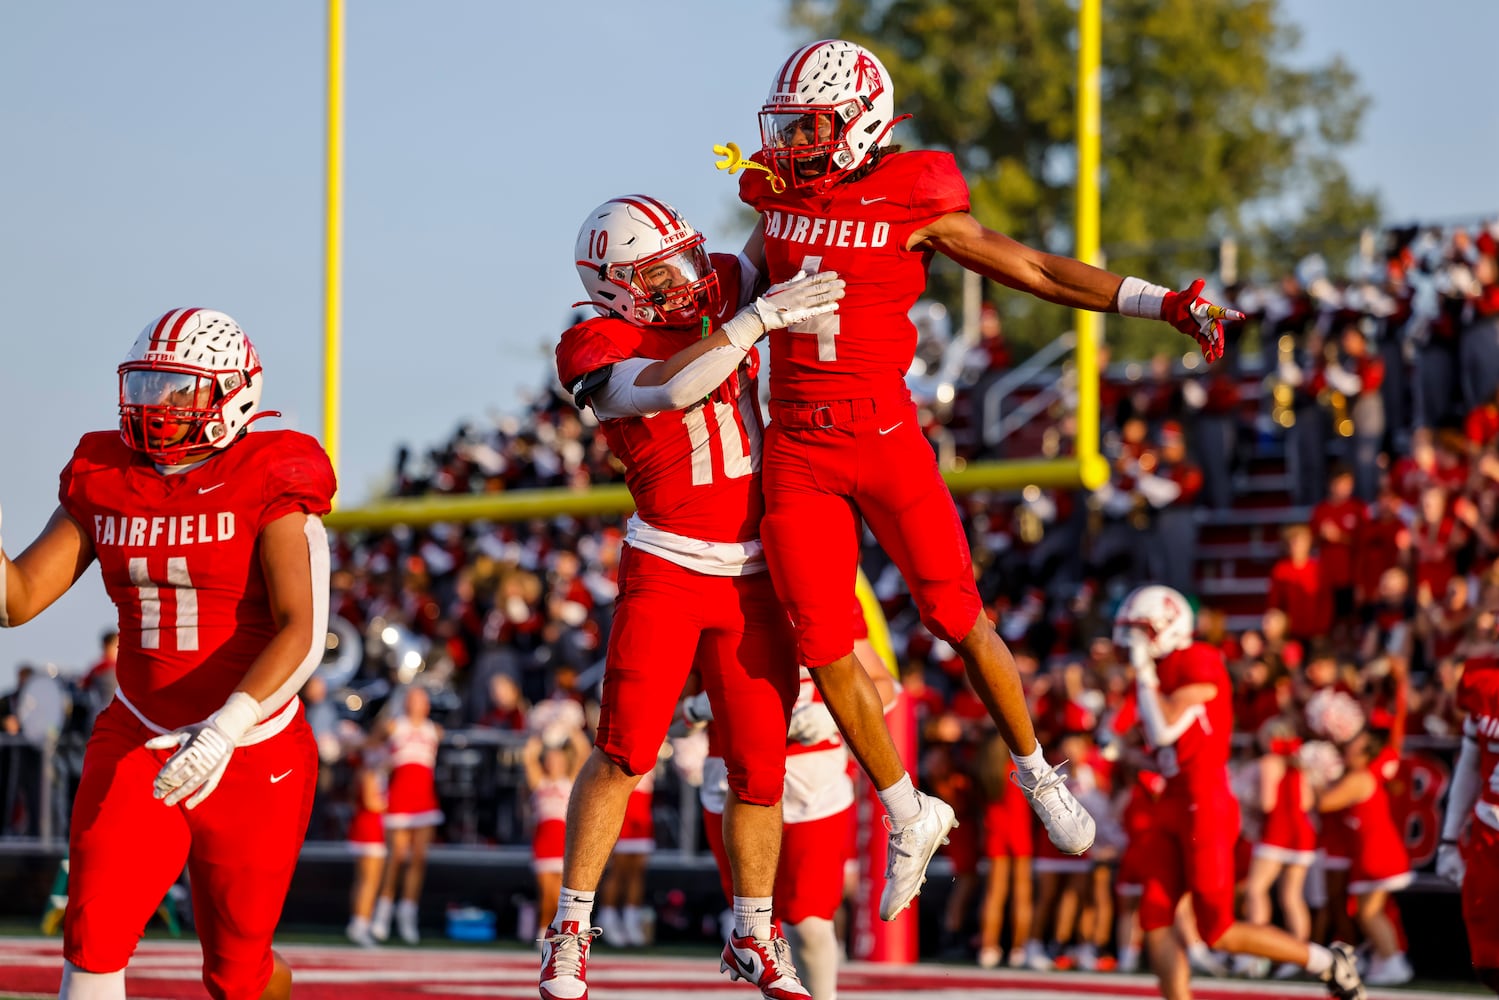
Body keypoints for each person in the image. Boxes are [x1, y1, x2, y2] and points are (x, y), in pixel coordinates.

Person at [732, 38, 1248, 864]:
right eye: (791, 129)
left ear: (861, 124)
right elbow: (738, 284)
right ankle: (907, 813)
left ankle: (1038, 772)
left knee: (957, 616)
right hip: (795, 446)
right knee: (821, 642)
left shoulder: (916, 194)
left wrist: (1159, 304)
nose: (795, 146)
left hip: (883, 435)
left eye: (813, 128)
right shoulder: (776, 197)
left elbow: (1036, 271)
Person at [541, 194, 847, 1000]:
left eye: (683, 260)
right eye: (656, 273)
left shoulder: (712, 286)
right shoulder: (594, 342)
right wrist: (754, 323)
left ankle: (752, 933)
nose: (683, 282)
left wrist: (795, 186)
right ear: (611, 285)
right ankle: (569, 930)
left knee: (757, 770)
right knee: (623, 752)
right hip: (670, 567)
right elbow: (668, 390)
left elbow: (767, 239)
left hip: (753, 573)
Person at [0, 308, 335, 1000]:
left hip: (252, 745)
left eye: (177, 389)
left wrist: (226, 729)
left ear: (231, 394)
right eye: (147, 384)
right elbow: (17, 601)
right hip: (139, 732)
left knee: (238, 976)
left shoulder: (273, 470)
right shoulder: (105, 473)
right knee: (92, 938)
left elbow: (301, 629)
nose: (155, 404)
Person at [1111, 585, 1366, 1000]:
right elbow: (1158, 746)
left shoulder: (1199, 659)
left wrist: (1142, 674)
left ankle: (1327, 961)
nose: (1133, 641)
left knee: (1218, 930)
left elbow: (1163, 729)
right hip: (1172, 802)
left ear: (1169, 627)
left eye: (1141, 630)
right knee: (1154, 916)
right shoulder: (1156, 671)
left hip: (1205, 803)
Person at [1440, 649, 1499, 993]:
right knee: (1490, 964)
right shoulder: (1481, 677)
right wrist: (1449, 840)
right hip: (1490, 830)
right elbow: (1470, 760)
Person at [371, 685, 444, 945]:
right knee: (396, 857)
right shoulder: (394, 725)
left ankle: (408, 914)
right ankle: (382, 912)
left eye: (422, 700)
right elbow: (373, 744)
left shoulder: (434, 730)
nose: (418, 704)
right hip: (400, 796)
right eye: (413, 699)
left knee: (418, 859)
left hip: (424, 798)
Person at [523, 725, 592, 935]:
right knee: (547, 892)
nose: (554, 763)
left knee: (562, 895)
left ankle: (556, 932)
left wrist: (570, 726)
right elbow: (528, 757)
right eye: (550, 759)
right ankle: (543, 930)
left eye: (558, 759)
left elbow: (584, 752)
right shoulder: (539, 783)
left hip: (564, 844)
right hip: (543, 842)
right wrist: (543, 727)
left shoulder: (570, 782)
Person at [345, 748, 389, 948]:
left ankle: (358, 922)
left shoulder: (364, 773)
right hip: (370, 830)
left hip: (363, 828)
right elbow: (372, 803)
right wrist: (392, 802)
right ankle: (361, 924)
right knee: (369, 882)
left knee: (362, 881)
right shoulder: (370, 773)